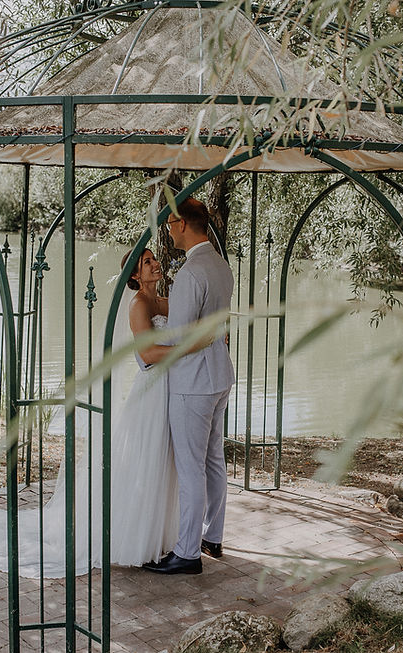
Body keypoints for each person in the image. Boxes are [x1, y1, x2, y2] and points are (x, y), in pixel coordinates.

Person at [0, 248, 180, 577]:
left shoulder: (167, 300)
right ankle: (135, 540)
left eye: (153, 259)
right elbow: (146, 353)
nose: (155, 264)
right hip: (152, 390)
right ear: (135, 276)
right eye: (146, 262)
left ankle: (162, 535)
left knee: (163, 461)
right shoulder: (139, 304)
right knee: (146, 459)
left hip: (174, 387)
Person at [143, 197, 234, 575]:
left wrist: (143, 357)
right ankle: (213, 535)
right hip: (220, 377)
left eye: (169, 222)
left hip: (192, 383)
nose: (167, 228)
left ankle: (187, 553)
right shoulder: (222, 267)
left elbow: (178, 336)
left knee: (191, 466)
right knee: (214, 459)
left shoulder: (190, 272)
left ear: (181, 224)